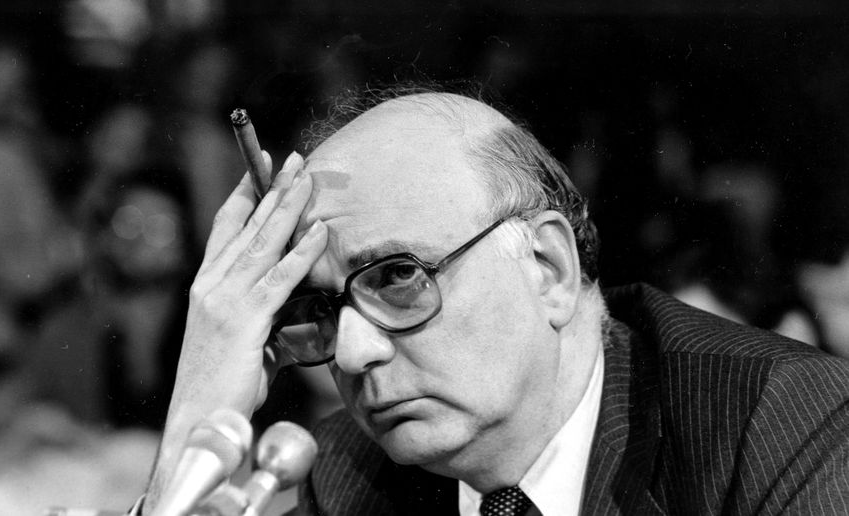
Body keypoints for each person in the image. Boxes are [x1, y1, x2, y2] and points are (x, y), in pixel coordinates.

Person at [137, 88, 849, 515]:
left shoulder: (777, 418)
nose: (350, 354)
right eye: (323, 309)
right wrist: (199, 423)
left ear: (546, 267)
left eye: (396, 277)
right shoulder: (344, 475)